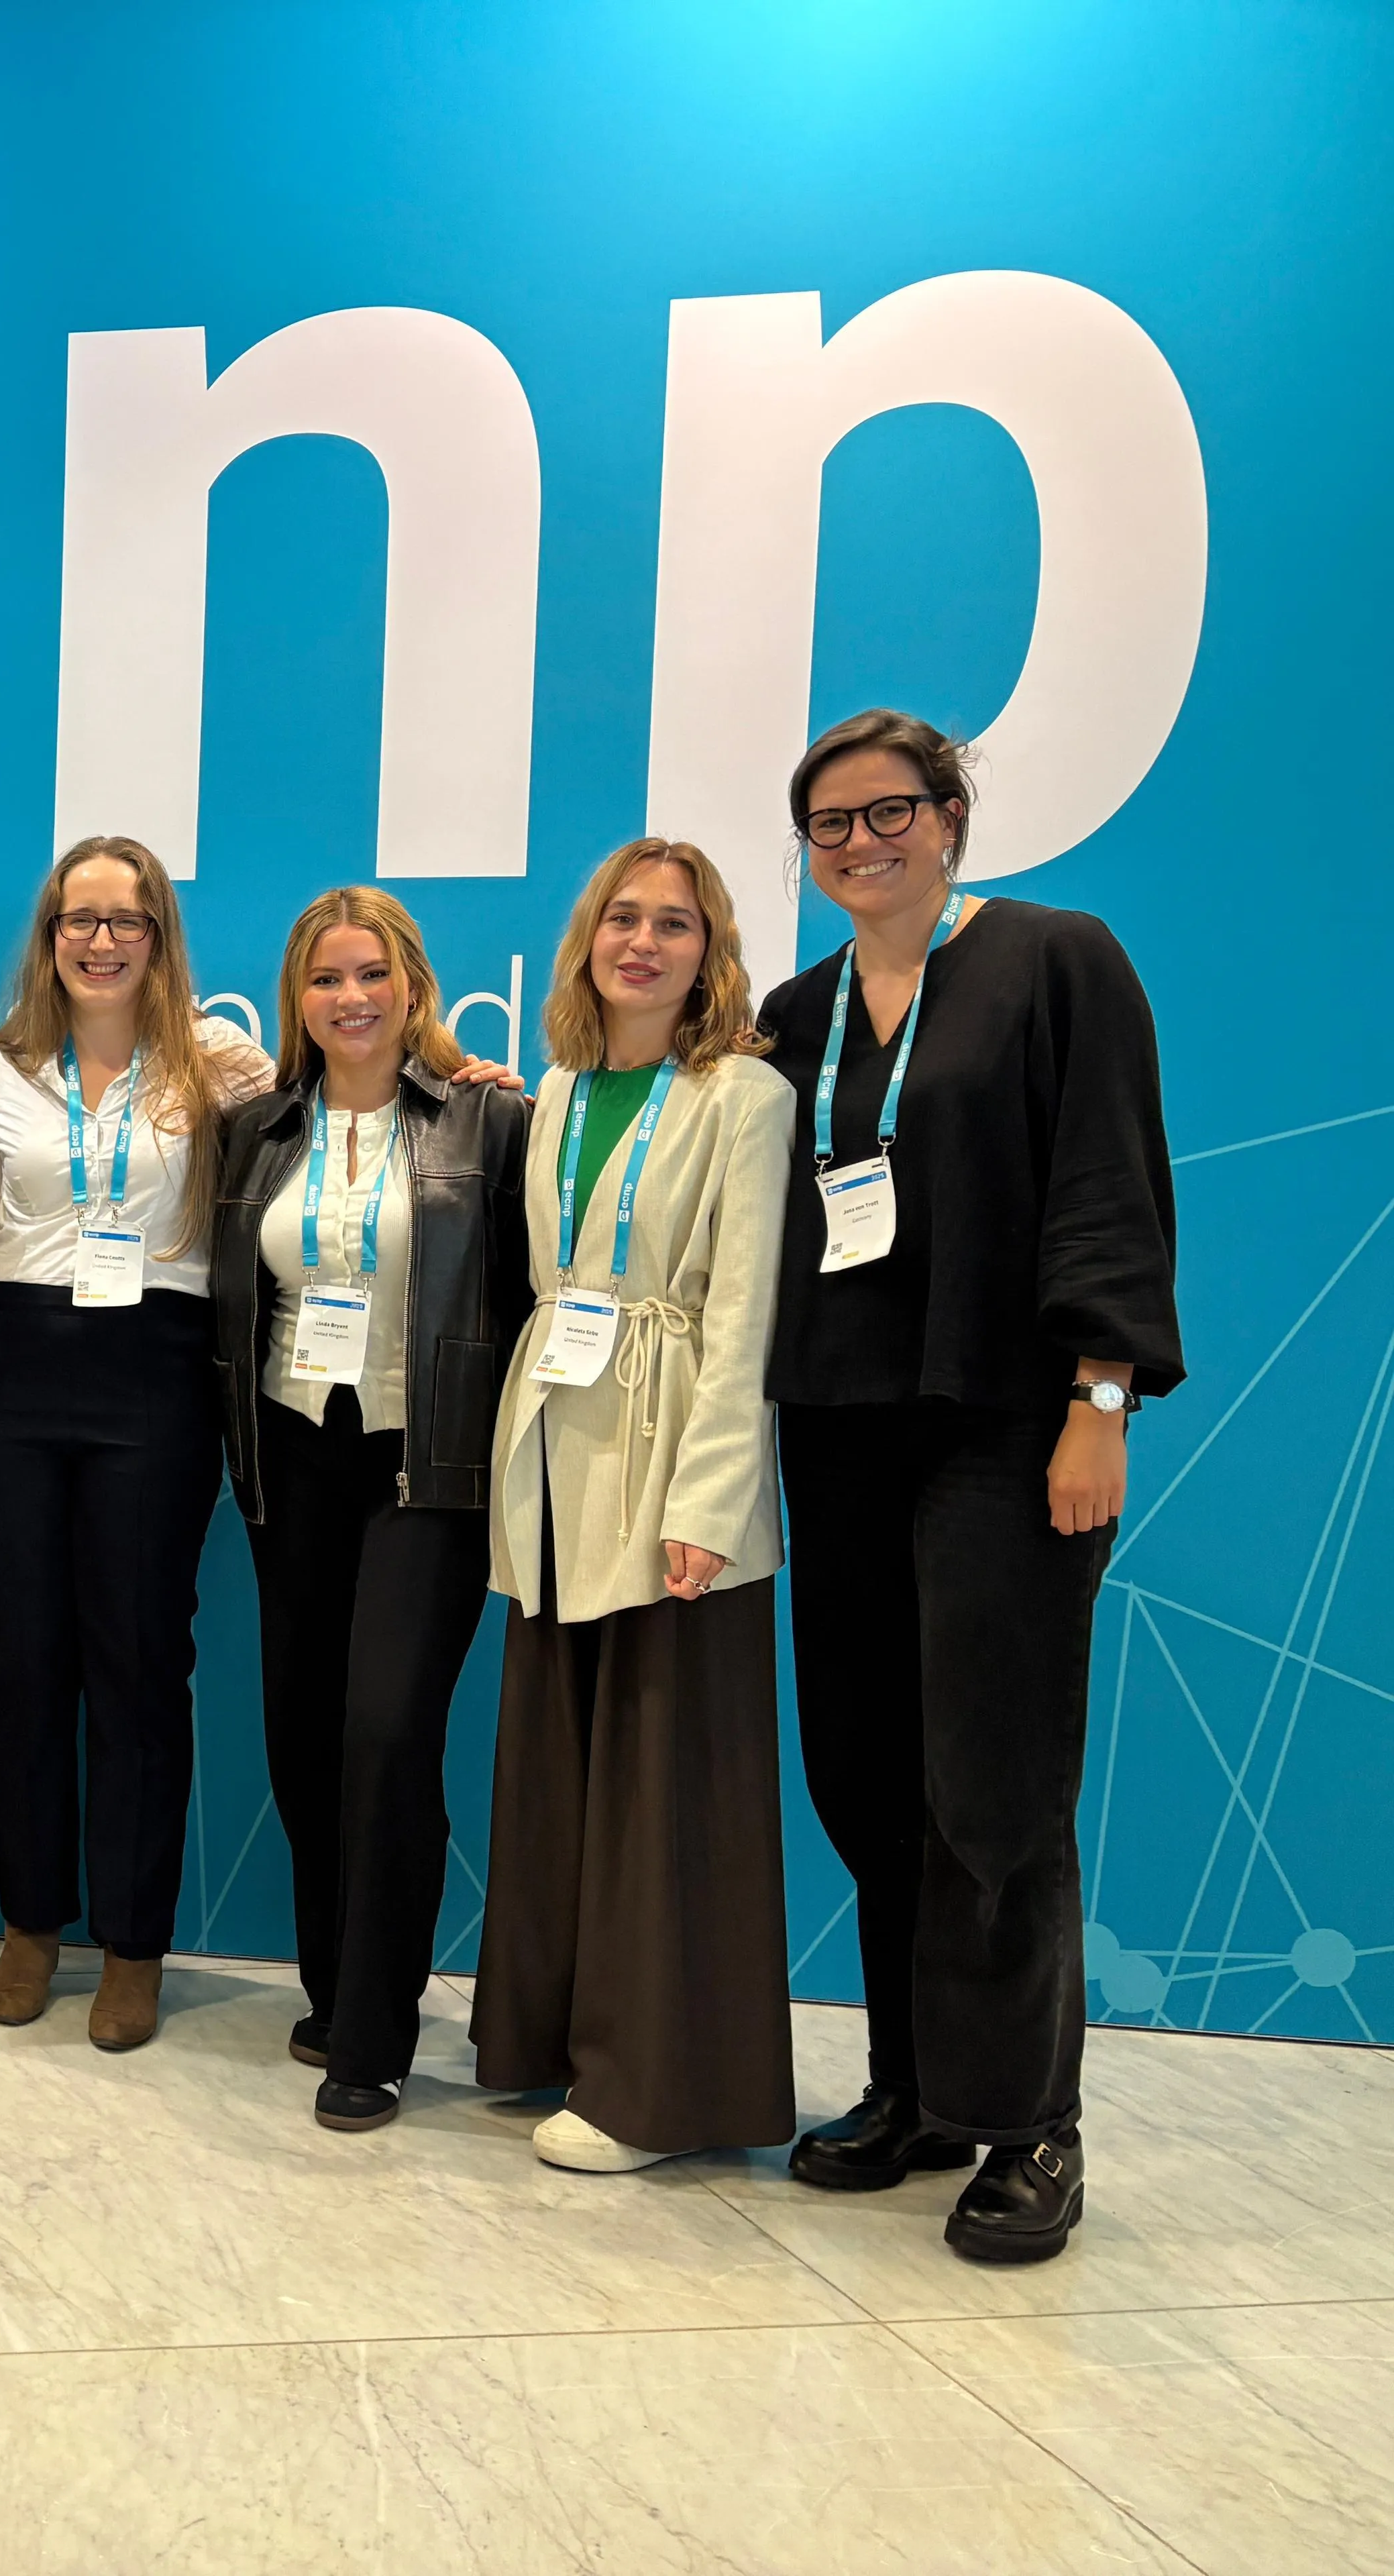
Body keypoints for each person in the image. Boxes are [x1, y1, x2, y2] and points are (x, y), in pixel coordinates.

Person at [759, 709, 1178, 2263]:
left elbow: (1108, 1183)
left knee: (994, 1778)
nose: (860, 844)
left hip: (1009, 1430)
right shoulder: (800, 1017)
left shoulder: (1054, 961)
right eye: (829, 827)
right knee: (867, 1773)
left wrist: (1101, 1394)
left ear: (950, 815)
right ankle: (918, 2087)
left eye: (889, 814)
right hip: (842, 1429)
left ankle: (1028, 2126)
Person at [469, 839, 796, 2169]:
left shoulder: (741, 1095)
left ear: (707, 950)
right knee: (562, 1762)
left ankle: (653, 2091)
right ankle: (549, 2041)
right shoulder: (556, 1089)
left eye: (673, 924)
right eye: (621, 919)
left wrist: (709, 1505)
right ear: (587, 942)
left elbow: (742, 1317)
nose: (642, 944)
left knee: (666, 1784)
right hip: (557, 1452)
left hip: (670, 1465)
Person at [0, 836, 271, 2050]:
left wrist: (460, 1073)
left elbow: (349, 1111)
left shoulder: (221, 1066)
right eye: (81, 919)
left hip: (155, 1378)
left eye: (127, 920)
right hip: (9, 1369)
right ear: (51, 935)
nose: (102, 940)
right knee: (20, 1660)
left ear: (159, 936)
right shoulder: (3, 1070)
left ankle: (134, 1943)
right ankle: (32, 1923)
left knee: (137, 1663)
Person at [209, 888, 531, 2132]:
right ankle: (332, 1984)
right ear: (298, 999)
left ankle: (380, 2031)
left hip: (427, 1469)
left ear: (411, 987)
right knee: (303, 1733)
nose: (351, 1000)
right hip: (293, 1462)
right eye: (325, 979)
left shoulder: (485, 1121)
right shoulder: (260, 1130)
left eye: (371, 976)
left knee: (389, 1732)